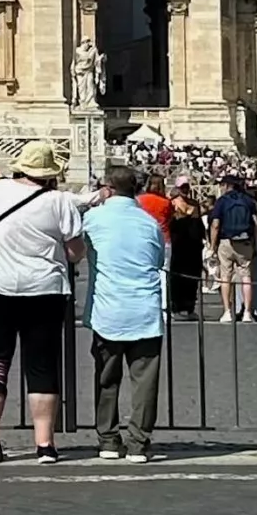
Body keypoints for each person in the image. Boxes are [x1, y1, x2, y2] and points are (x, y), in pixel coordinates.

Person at [0, 140, 85, 464]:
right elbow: (75, 251)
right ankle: (45, 445)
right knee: (41, 366)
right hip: (44, 289)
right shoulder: (60, 201)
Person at [82, 165, 166, 462]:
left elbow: (78, 250)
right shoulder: (148, 223)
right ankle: (139, 443)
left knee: (106, 379)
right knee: (144, 383)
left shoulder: (93, 219)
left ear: (108, 188)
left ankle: (107, 440)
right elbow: (158, 261)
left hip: (108, 309)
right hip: (144, 310)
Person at [209, 173, 257, 322]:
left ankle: (227, 311)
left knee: (226, 277)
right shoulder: (248, 200)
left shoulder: (222, 201)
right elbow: (256, 223)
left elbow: (215, 224)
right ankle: (247, 312)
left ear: (226, 185)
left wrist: (213, 246)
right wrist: (255, 244)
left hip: (226, 242)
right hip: (245, 241)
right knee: (246, 277)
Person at [165, 182, 206, 318]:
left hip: (194, 247)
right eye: (182, 187)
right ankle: (175, 307)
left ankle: (189, 308)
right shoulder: (171, 204)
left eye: (187, 187)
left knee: (192, 278)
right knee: (177, 277)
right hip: (178, 246)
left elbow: (199, 226)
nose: (185, 190)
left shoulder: (195, 204)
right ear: (176, 188)